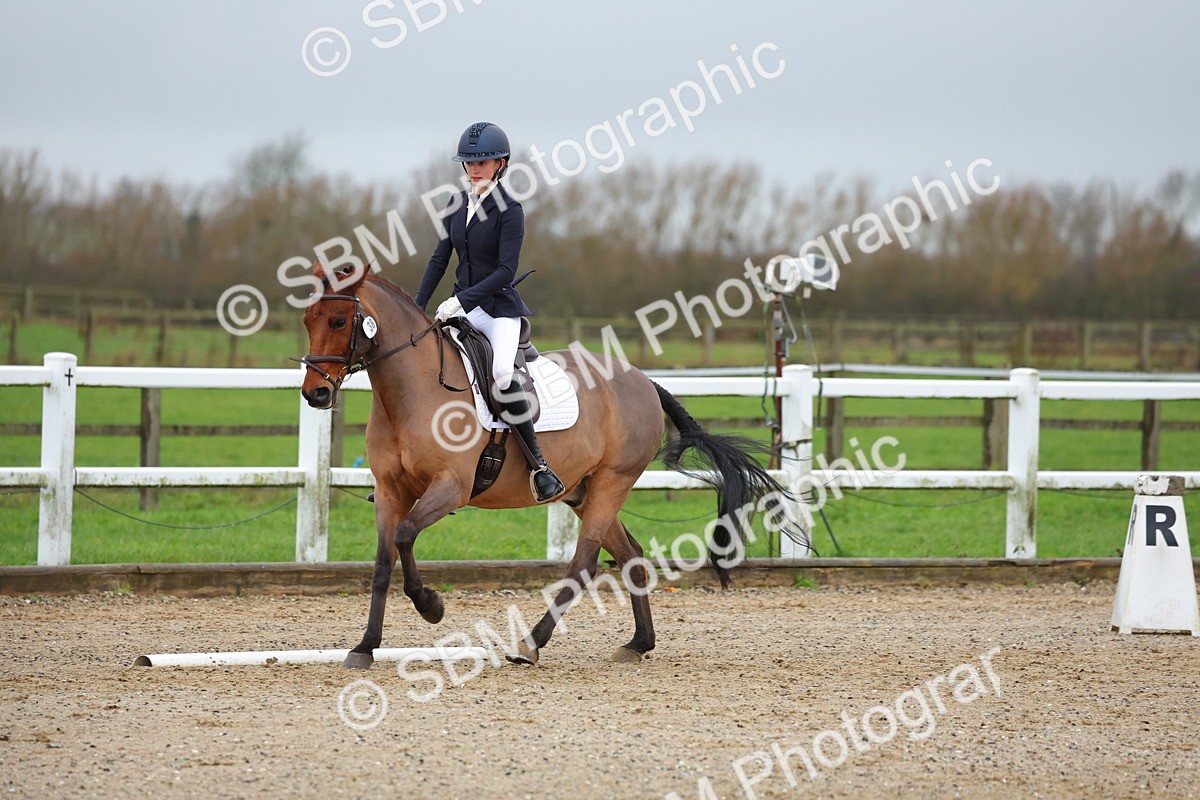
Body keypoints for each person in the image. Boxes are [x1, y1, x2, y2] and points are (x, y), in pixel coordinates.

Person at [414, 121, 566, 503]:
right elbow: (439, 259)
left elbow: (504, 272)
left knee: (500, 373)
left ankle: (539, 466)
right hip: (461, 308)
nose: (474, 169)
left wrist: (461, 301)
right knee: (428, 365)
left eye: (482, 162)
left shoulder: (510, 211)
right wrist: (417, 308)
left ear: (501, 164)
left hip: (497, 311)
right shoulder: (456, 204)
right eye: (469, 162)